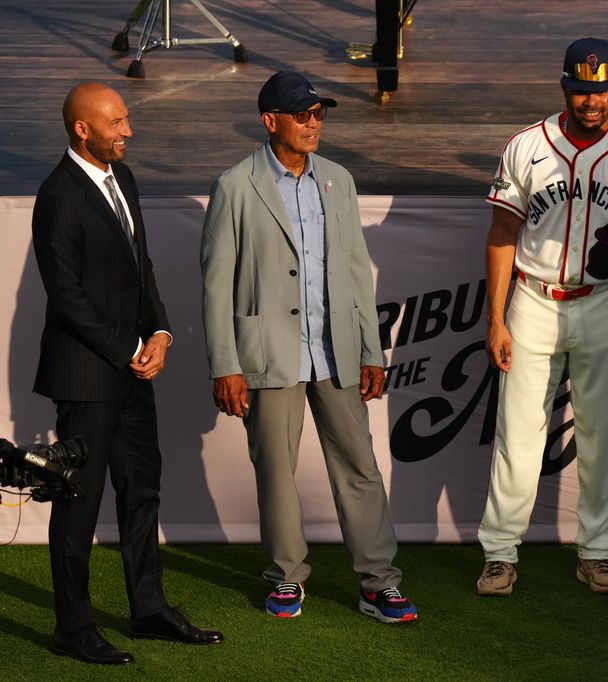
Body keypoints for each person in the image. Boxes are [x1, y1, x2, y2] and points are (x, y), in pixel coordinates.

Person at [200, 71, 416, 624]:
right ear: (270, 121)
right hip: (267, 354)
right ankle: (286, 577)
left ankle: (379, 583)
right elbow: (216, 284)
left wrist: (371, 349)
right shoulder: (234, 186)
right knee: (275, 469)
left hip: (338, 350)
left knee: (360, 467)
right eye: (303, 114)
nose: (314, 122)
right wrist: (225, 364)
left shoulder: (338, 180)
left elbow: (353, 270)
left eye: (320, 113)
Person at [32, 82, 223, 665]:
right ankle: (73, 628)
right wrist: (131, 348)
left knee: (142, 493)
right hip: (88, 379)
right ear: (82, 129)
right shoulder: (57, 196)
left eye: (127, 119)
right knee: (78, 506)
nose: (128, 131)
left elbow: (142, 272)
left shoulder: (124, 179)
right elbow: (66, 295)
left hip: (134, 371)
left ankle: (148, 610)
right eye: (116, 122)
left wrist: (160, 333)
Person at [477, 38, 608, 596]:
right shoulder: (526, 146)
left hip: (605, 301)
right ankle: (500, 553)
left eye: (600, 90)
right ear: (564, 87)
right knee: (519, 433)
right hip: (533, 300)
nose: (591, 101)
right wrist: (495, 318)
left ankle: (597, 552)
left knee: (601, 435)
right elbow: (502, 234)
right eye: (581, 90)